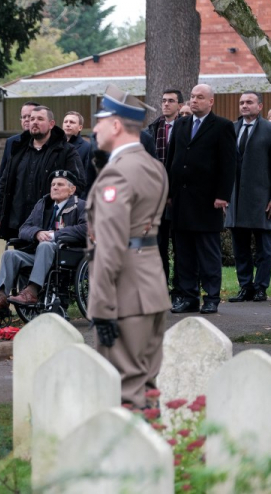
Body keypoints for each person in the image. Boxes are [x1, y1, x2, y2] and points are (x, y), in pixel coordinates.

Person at [88, 84, 170, 410]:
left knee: (125, 389)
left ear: (116, 125)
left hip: (124, 295)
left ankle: (133, 460)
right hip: (152, 287)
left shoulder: (117, 175)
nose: (94, 129)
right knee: (147, 385)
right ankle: (158, 458)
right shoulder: (153, 165)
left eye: (99, 121)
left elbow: (109, 247)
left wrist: (100, 307)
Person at [168, 84, 236, 314]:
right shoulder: (180, 124)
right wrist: (168, 192)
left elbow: (228, 164)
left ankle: (211, 297)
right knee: (183, 253)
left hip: (207, 201)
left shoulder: (223, 126)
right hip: (181, 200)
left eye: (200, 97)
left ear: (211, 101)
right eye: (192, 97)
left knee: (207, 253)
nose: (194, 101)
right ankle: (188, 297)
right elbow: (172, 160)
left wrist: (222, 195)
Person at [0, 170, 86, 314]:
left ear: (72, 189)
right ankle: (1, 298)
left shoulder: (81, 206)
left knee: (46, 245)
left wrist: (54, 235)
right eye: (52, 185)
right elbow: (24, 228)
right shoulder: (43, 205)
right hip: (39, 253)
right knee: (10, 255)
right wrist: (37, 233)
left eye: (60, 184)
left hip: (68, 253)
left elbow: (85, 229)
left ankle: (32, 291)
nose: (55, 187)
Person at [225, 91, 271, 303]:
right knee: (240, 249)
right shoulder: (231, 129)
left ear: (260, 106)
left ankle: (261, 288)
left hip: (262, 199)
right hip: (236, 199)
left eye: (249, 102)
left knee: (263, 249)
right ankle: (245, 287)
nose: (244, 106)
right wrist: (224, 196)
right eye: (242, 102)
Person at [0, 105, 85, 241]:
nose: (34, 122)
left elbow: (78, 184)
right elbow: (4, 184)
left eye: (40, 119)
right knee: (15, 260)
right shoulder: (19, 150)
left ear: (51, 124)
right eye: (32, 119)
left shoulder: (65, 151)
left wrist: (64, 214)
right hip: (17, 224)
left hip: (48, 224)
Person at [145, 89, 183, 301]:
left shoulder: (185, 127)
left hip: (178, 195)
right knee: (157, 246)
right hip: (155, 196)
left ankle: (179, 290)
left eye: (171, 101)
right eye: (164, 101)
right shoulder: (153, 129)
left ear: (179, 105)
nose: (166, 104)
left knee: (180, 247)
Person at [0, 101, 39, 176]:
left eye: (30, 116)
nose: (26, 119)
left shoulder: (45, 141)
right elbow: (3, 173)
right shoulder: (11, 142)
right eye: (23, 117)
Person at [62, 111, 91, 179]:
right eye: (65, 122)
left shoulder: (87, 147)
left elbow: (87, 175)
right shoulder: (55, 146)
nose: (68, 124)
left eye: (72, 122)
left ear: (80, 127)